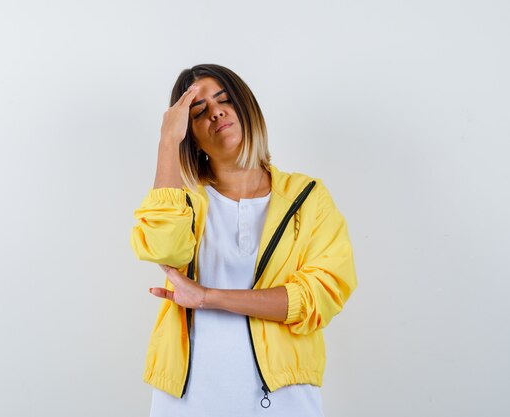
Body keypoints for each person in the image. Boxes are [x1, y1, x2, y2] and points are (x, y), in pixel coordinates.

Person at [130, 64, 357, 417]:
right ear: (191, 137)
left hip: (284, 399)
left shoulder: (308, 197)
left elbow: (320, 297)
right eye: (199, 111)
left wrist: (207, 297)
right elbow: (162, 248)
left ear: (246, 107)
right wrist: (166, 143)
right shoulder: (183, 200)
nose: (216, 111)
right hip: (188, 400)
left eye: (224, 100)